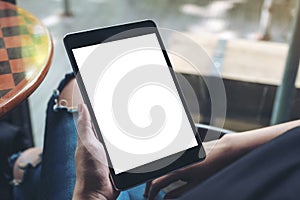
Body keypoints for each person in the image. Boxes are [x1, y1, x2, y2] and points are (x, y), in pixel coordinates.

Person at [9, 74, 300, 200]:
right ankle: (29, 168)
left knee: (77, 86)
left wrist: (91, 194)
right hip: (218, 178)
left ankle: (26, 170)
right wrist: (229, 146)